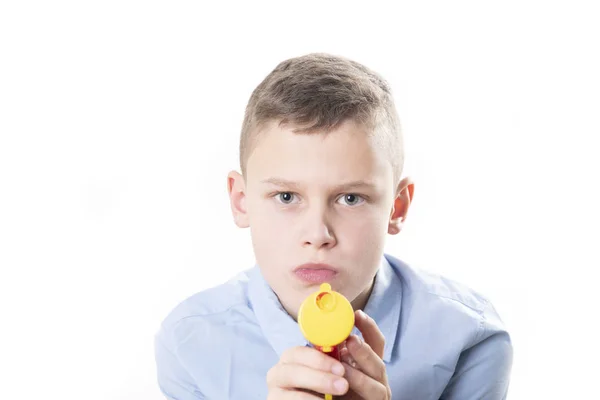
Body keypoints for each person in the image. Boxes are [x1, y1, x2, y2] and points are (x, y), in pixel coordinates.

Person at [154, 53, 513, 399]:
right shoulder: (190, 344)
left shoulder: (469, 339)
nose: (317, 235)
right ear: (241, 200)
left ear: (397, 207)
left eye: (350, 198)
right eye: (285, 197)